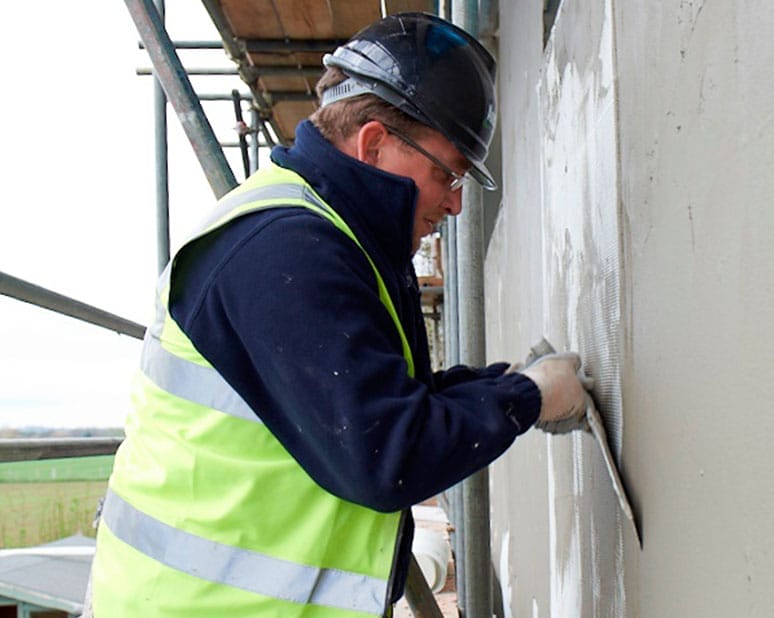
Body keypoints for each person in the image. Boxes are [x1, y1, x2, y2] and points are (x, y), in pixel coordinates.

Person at [87, 12, 589, 618]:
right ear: (374, 143)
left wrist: (506, 382)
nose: (455, 202)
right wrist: (527, 399)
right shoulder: (286, 250)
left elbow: (387, 401)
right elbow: (386, 455)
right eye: (446, 174)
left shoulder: (333, 237)